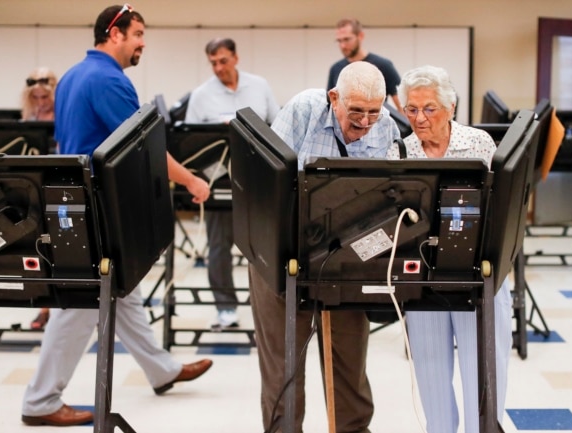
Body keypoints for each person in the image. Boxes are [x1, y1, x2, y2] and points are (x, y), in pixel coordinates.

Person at [21, 5, 213, 427]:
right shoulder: (110, 80)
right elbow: (144, 148)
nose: (143, 42)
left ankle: (161, 371)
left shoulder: (72, 75)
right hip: (95, 207)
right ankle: (40, 400)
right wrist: (192, 182)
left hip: (71, 201)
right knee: (84, 303)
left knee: (121, 292)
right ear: (114, 33)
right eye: (138, 33)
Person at [250, 61, 400, 433]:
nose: (365, 122)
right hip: (284, 250)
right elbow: (267, 180)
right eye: (356, 111)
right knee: (282, 365)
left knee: (349, 362)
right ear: (334, 97)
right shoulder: (304, 109)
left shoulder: (388, 128)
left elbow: (393, 200)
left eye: (373, 112)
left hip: (346, 257)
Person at [386, 65, 513, 433]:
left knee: (484, 382)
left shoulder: (479, 144)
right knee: (431, 379)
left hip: (478, 275)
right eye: (411, 109)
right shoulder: (400, 152)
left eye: (429, 109)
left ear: (451, 107)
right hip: (423, 280)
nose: (419, 118)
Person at [184, 37, 280, 330]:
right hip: (218, 179)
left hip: (257, 181)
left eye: (223, 61)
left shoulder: (259, 85)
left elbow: (277, 127)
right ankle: (225, 308)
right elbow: (189, 144)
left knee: (266, 245)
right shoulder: (201, 95)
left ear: (236, 58)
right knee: (218, 247)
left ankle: (270, 305)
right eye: (213, 63)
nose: (218, 67)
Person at [20, 67, 58, 330]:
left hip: (54, 186)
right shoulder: (27, 120)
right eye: (36, 98)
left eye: (45, 97)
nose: (41, 103)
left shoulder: (62, 118)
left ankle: (52, 308)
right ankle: (43, 306)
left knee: (57, 249)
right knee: (36, 249)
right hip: (32, 189)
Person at [327, 18, 403, 113]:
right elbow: (331, 106)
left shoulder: (383, 65)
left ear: (360, 36)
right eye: (339, 41)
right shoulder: (335, 69)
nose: (343, 45)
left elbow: (402, 105)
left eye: (347, 39)